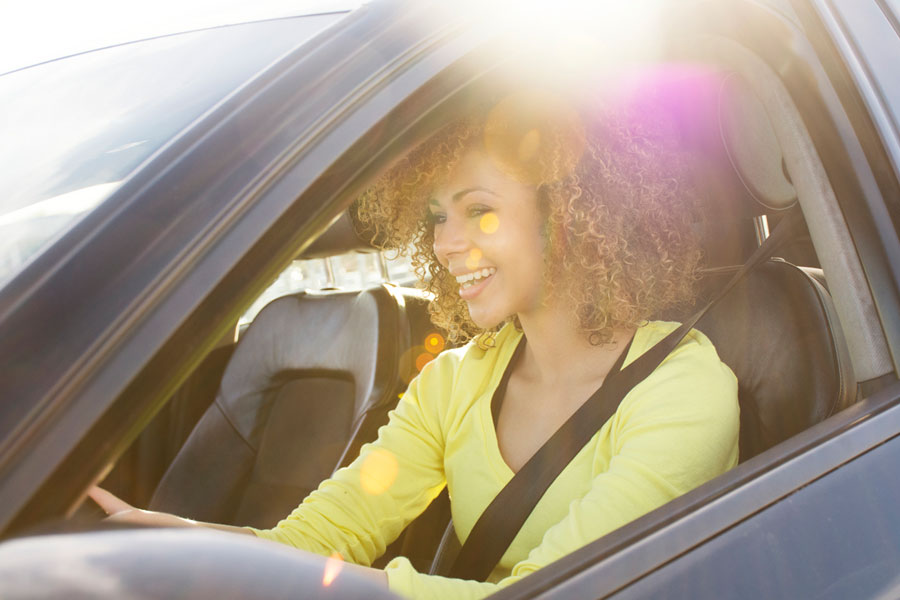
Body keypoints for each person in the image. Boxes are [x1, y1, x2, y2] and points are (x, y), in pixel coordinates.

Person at [90, 89, 739, 600]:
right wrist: (186, 545)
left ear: (568, 214)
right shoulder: (452, 383)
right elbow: (324, 536)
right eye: (436, 218)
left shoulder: (684, 392)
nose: (445, 244)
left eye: (479, 209)